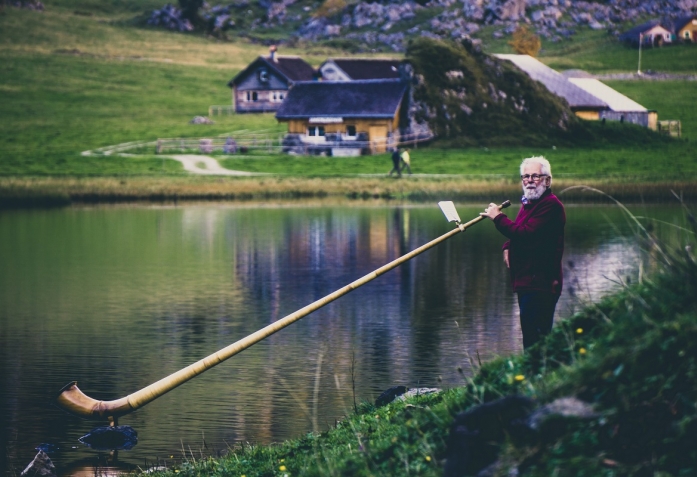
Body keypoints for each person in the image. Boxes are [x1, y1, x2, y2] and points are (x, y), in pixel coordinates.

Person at [480, 156, 566, 349]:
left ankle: (539, 376)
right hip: (527, 282)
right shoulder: (530, 204)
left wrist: (498, 218)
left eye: (535, 176)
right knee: (530, 339)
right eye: (525, 176)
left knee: (537, 341)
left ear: (547, 180)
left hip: (542, 284)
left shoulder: (550, 205)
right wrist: (508, 246)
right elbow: (521, 232)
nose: (529, 181)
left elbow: (527, 234)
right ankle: (534, 376)